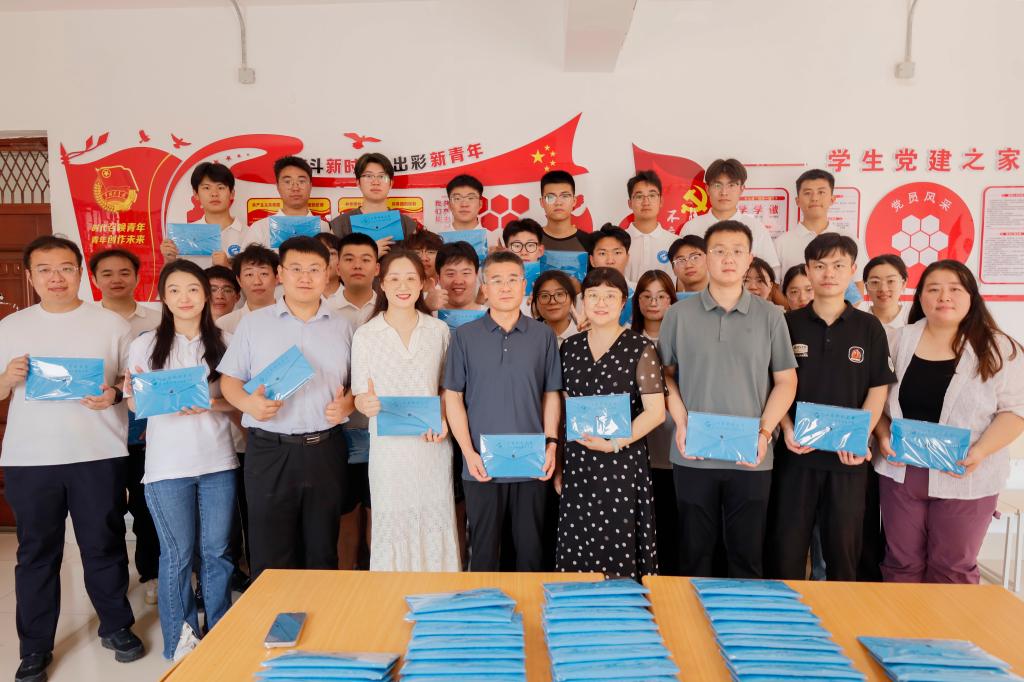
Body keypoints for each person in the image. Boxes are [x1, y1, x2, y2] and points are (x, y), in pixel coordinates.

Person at [1, 236, 144, 682]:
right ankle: (34, 647)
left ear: (80, 273)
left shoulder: (111, 325)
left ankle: (116, 626)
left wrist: (114, 394)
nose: (56, 277)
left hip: (97, 454)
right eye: (45, 270)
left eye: (65, 268)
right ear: (30, 276)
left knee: (103, 544)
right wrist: (5, 378)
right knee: (36, 553)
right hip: (30, 458)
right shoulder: (10, 327)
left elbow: (134, 386)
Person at [659, 220, 798, 578]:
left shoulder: (771, 316)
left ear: (750, 258)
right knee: (693, 554)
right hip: (693, 452)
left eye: (737, 251)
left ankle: (744, 616)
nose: (728, 259)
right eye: (719, 251)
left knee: (746, 556)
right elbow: (665, 376)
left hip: (751, 455)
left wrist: (764, 433)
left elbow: (786, 381)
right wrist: (682, 422)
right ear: (706, 257)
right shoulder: (677, 315)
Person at [873, 260, 1024, 584]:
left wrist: (980, 451)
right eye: (934, 289)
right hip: (902, 471)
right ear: (920, 297)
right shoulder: (896, 341)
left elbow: (1015, 411)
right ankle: (900, 620)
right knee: (901, 564)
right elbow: (877, 402)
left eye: (955, 289)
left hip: (966, 472)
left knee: (953, 567)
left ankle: (947, 621)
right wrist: (883, 435)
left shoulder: (999, 348)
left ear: (972, 296)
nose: (944, 296)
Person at [218, 236, 356, 576]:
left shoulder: (344, 326)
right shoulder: (254, 324)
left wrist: (348, 405)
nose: (305, 277)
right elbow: (229, 381)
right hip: (270, 450)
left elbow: (359, 383)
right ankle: (273, 611)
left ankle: (319, 611)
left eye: (314, 269)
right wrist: (248, 403)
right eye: (296, 269)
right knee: (270, 552)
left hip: (325, 449)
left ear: (328, 273)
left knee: (322, 548)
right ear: (280, 274)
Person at [123, 260, 239, 661]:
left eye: (193, 289)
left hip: (218, 462)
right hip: (167, 466)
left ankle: (219, 629)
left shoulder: (226, 341)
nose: (184, 298)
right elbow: (134, 403)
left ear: (206, 295)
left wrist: (210, 403)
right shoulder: (145, 345)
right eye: (174, 290)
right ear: (163, 297)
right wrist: (155, 397)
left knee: (218, 553)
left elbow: (238, 401)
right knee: (177, 555)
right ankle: (182, 639)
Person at [770, 233, 896, 581]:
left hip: (848, 460)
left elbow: (878, 389)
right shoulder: (787, 324)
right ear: (808, 270)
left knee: (843, 555)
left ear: (852, 270)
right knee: (787, 551)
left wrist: (860, 436)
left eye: (839, 265)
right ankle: (788, 614)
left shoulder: (868, 326)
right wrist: (786, 428)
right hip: (796, 456)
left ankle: (841, 614)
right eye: (820, 265)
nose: (829, 273)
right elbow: (774, 384)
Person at [443, 251, 561, 571]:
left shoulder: (543, 336)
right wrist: (468, 452)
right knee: (483, 552)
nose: (505, 287)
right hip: (481, 463)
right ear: (484, 288)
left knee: (531, 551)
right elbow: (453, 396)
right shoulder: (464, 337)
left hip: (532, 462)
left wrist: (551, 444)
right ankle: (484, 606)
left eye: (512, 279)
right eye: (496, 280)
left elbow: (551, 394)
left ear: (524, 285)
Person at [351, 250, 460, 571]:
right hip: (389, 451)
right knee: (393, 521)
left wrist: (443, 418)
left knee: (434, 518)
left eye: (411, 278)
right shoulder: (366, 334)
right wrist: (363, 403)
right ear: (382, 284)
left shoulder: (438, 331)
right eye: (395, 279)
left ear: (423, 283)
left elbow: (447, 388)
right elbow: (359, 393)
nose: (403, 286)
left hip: (431, 445)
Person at [556, 267, 665, 579]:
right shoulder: (570, 347)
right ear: (583, 301)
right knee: (578, 545)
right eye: (593, 296)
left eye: (609, 296)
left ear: (623, 303)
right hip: (579, 461)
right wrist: (560, 465)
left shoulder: (640, 347)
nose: (600, 303)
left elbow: (656, 412)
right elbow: (565, 409)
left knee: (618, 544)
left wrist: (613, 444)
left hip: (621, 460)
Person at [89, 249, 161, 602]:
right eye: (107, 273)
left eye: (123, 272)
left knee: (147, 508)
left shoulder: (158, 319)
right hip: (99, 433)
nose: (116, 279)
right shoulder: (85, 322)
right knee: (105, 511)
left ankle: (152, 573)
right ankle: (112, 583)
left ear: (136, 276)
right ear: (94, 279)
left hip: (144, 431)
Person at [331, 232, 380, 570]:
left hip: (385, 430)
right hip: (339, 432)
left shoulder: (393, 306)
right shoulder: (324, 311)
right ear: (337, 266)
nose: (357, 265)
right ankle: (344, 583)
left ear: (377, 267)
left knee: (380, 513)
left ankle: (377, 585)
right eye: (349, 259)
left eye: (366, 259)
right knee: (345, 515)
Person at [631, 269, 680, 574]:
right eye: (646, 296)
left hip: (677, 440)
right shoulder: (626, 338)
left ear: (672, 300)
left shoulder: (685, 337)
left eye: (661, 296)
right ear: (636, 301)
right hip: (639, 443)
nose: (654, 302)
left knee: (673, 524)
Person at [679, 159, 781, 278]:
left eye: (731, 185)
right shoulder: (691, 228)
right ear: (707, 189)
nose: (724, 192)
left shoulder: (756, 228)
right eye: (717, 185)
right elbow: (680, 271)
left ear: (741, 189)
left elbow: (771, 273)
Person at [774, 169, 869, 292]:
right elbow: (774, 289)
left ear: (832, 199)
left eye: (821, 192)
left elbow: (857, 285)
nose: (814, 198)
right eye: (807, 193)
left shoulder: (849, 240)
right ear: (797, 201)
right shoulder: (781, 243)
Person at [329, 153, 419, 255]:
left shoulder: (407, 225)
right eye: (368, 176)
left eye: (382, 176)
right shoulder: (341, 225)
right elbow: (332, 262)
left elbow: (416, 261)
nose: (375, 182)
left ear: (391, 183)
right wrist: (372, 253)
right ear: (358, 182)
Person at [160, 162, 246, 268]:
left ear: (232, 193)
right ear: (196, 194)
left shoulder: (248, 233)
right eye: (206, 188)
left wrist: (227, 266)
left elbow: (255, 276)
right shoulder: (185, 236)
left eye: (221, 187)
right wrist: (169, 260)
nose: (214, 194)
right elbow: (173, 276)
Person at [243, 156, 331, 250]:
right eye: (287, 182)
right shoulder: (261, 228)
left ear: (310, 186)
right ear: (278, 186)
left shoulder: (324, 227)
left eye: (301, 181)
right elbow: (248, 259)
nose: (295, 188)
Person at [623, 170, 676, 280]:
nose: (646, 202)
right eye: (639, 196)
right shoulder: (619, 242)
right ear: (630, 203)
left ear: (661, 201)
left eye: (652, 195)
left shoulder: (674, 242)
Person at [216, 245, 280, 334]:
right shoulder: (224, 325)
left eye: (264, 274)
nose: (257, 282)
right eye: (249, 274)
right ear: (239, 280)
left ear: (277, 278)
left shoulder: (294, 320)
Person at [441, 174, 502, 250]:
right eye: (457, 198)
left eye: (470, 198)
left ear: (480, 204)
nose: (464, 204)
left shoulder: (494, 241)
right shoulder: (438, 241)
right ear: (449, 205)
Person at [860, 254, 911, 340]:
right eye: (875, 282)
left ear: (903, 284)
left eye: (891, 281)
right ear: (866, 286)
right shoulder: (857, 324)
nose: (883, 289)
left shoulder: (914, 322)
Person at [539, 170, 590, 253]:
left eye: (565, 196)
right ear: (542, 202)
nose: (558, 203)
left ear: (574, 201)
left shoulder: (588, 242)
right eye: (550, 197)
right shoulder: (531, 240)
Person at [427, 242, 485, 312]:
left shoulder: (491, 315)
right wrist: (426, 309)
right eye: (450, 274)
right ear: (438, 277)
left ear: (476, 275)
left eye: (465, 273)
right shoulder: (427, 312)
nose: (458, 281)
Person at [531, 270, 578, 346]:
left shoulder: (587, 337)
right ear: (535, 303)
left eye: (559, 294)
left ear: (571, 299)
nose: (552, 301)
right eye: (544, 296)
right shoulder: (526, 340)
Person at [315, 232, 344, 298]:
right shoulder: (295, 298)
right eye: (319, 252)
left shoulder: (357, 299)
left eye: (331, 253)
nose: (325, 258)